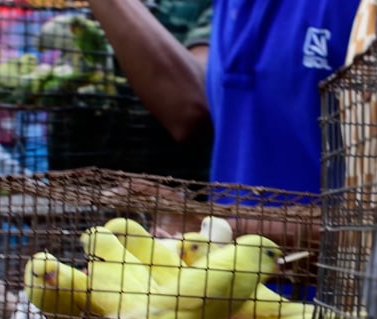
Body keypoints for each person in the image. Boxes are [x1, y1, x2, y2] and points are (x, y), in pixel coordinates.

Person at [88, 0, 361, 241]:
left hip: (344, 295)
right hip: (239, 291)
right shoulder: (226, 7)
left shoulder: (373, 9)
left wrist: (212, 228)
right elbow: (193, 104)